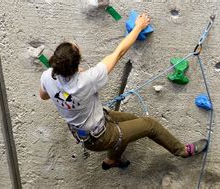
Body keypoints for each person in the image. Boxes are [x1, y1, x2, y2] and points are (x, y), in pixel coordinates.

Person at [39, 13, 207, 170]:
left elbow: (44, 95)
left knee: (133, 121)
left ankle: (112, 159)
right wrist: (138, 27)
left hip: (84, 130)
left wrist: (67, 88)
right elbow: (119, 52)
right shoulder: (88, 79)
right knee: (150, 125)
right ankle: (182, 151)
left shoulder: (47, 76)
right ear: (75, 65)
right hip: (100, 136)